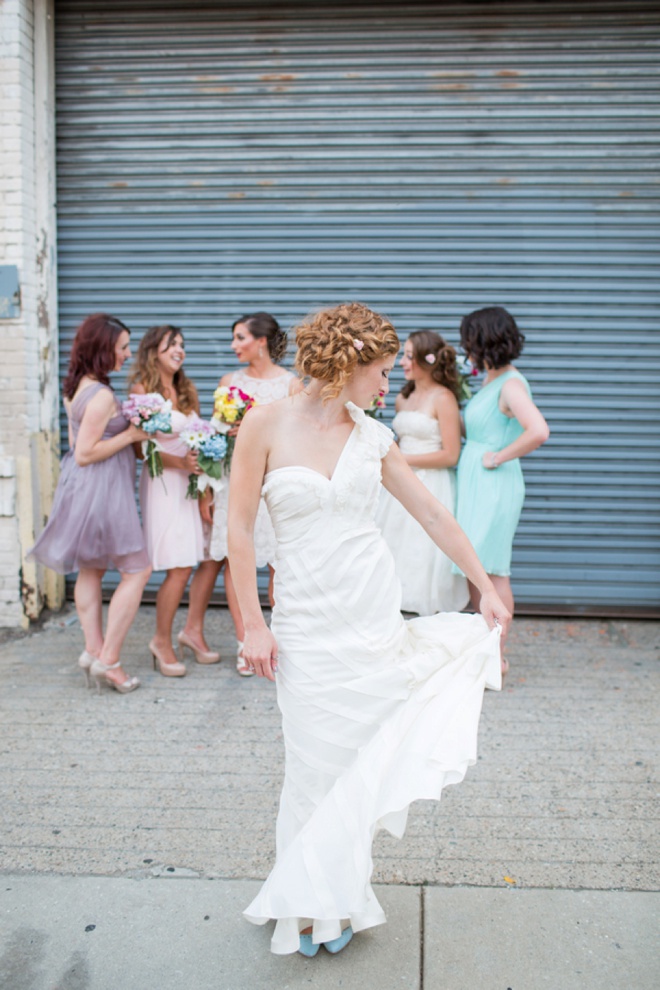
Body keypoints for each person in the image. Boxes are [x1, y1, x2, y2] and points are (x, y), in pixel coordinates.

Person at [227, 302, 512, 957]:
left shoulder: (373, 438)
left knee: (358, 761)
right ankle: (306, 906)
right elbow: (239, 532)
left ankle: (342, 900)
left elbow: (434, 516)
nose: (388, 386)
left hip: (371, 615)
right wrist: (252, 625)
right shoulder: (262, 427)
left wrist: (485, 589)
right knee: (311, 767)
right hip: (303, 620)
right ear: (344, 365)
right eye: (380, 372)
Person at [28, 313, 151, 694]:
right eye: (123, 347)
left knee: (91, 569)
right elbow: (85, 452)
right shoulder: (100, 396)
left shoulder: (77, 386)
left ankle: (92, 650)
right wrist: (132, 433)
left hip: (81, 488)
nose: (128, 355)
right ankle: (109, 660)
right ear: (103, 350)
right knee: (138, 569)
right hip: (101, 488)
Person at [182, 312, 301, 676]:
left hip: (274, 480)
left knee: (281, 563)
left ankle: (286, 637)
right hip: (233, 479)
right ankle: (244, 641)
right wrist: (207, 491)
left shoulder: (291, 385)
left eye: (240, 338)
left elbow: (298, 438)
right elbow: (213, 442)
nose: (234, 346)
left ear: (261, 341)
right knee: (238, 562)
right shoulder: (228, 382)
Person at [453, 306, 550, 639]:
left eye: (468, 342)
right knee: (477, 568)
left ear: (482, 341)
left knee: (492, 572)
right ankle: (486, 646)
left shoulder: (510, 385)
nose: (465, 350)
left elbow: (538, 430)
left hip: (494, 484)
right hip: (477, 482)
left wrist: (498, 458)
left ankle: (497, 656)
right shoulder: (491, 380)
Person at [129, 324, 215, 676]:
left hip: (190, 486)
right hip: (163, 484)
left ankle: (188, 634)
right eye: (171, 345)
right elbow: (138, 447)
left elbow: (199, 442)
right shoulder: (142, 390)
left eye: (181, 344)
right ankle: (161, 641)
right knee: (178, 566)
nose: (179, 350)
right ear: (154, 351)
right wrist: (177, 462)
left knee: (196, 561)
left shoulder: (185, 390)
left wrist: (205, 486)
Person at [376, 330, 469, 614]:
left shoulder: (444, 398)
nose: (401, 362)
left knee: (422, 548)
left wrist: (402, 460)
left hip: (431, 482)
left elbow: (451, 454)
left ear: (425, 360)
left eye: (407, 355)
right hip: (400, 481)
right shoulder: (404, 398)